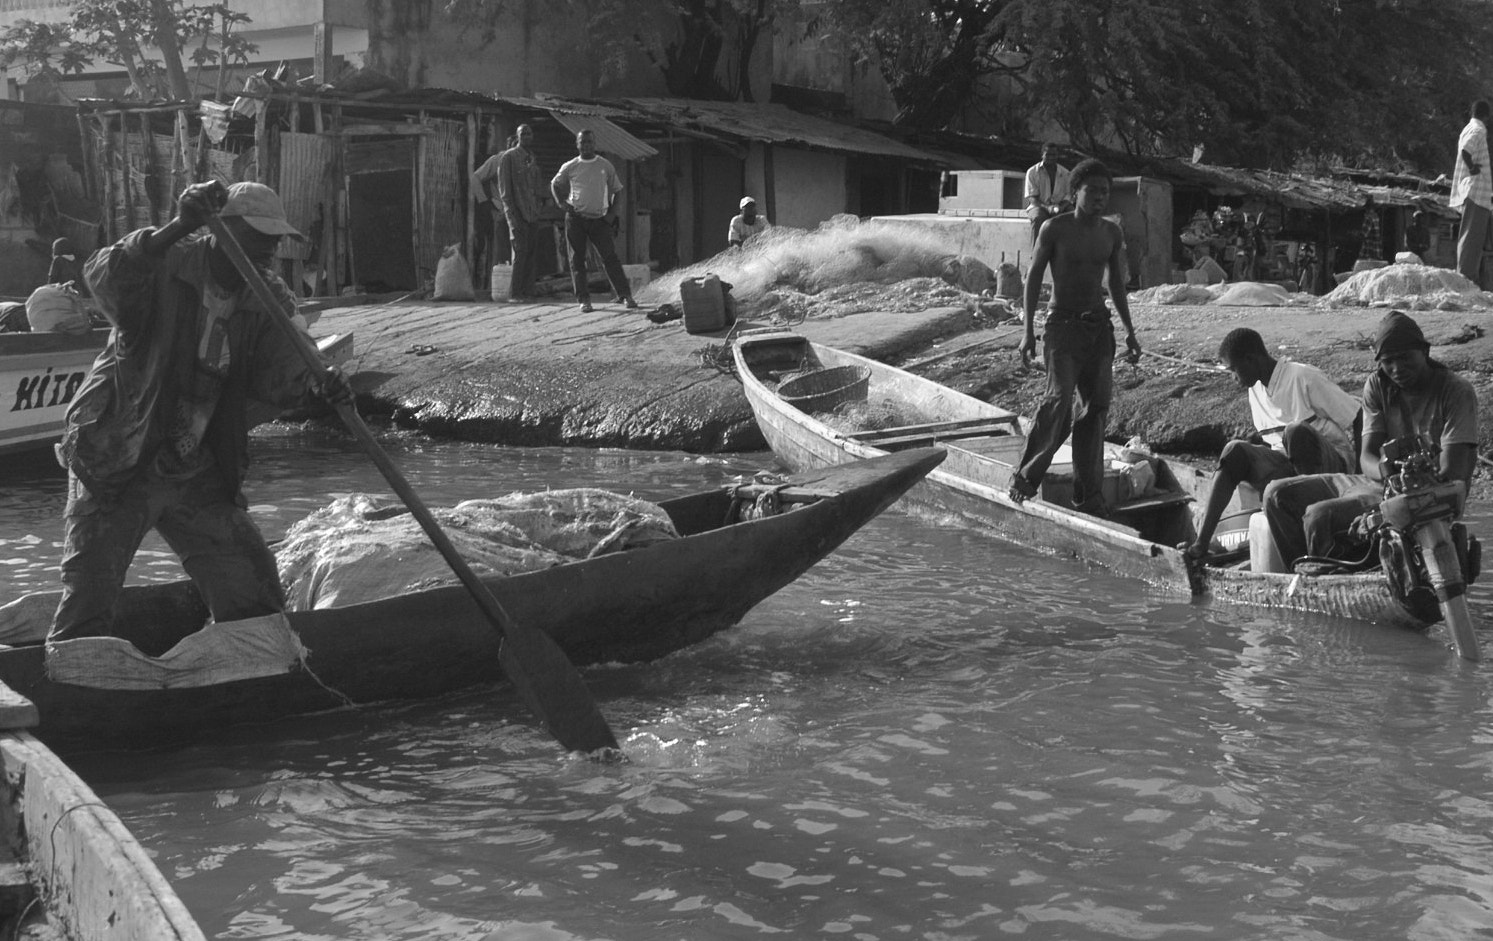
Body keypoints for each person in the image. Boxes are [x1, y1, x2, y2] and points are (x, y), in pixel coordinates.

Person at [49, 180, 352, 644]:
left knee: (253, 596)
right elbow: (106, 280)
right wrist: (176, 227)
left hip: (193, 463)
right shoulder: (168, 263)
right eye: (258, 236)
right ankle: (72, 685)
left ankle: (245, 671)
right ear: (222, 230)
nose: (270, 249)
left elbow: (286, 365)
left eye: (274, 239)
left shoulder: (267, 295)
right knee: (88, 600)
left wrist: (320, 383)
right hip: (118, 454)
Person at [1262, 310, 1478, 570]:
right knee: (1275, 494)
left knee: (1319, 516)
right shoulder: (1378, 385)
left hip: (1424, 496)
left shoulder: (1455, 391)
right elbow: (1367, 458)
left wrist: (1410, 477)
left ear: (1425, 352)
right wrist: (1390, 473)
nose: (1397, 369)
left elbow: (1452, 471)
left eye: (1405, 358)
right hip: (1378, 482)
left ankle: (1336, 573)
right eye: (1389, 361)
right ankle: (1303, 576)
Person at [1008, 158, 1141, 517]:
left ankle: (1089, 496)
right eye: (1092, 191)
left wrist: (1129, 330)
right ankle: (1024, 479)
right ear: (1075, 192)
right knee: (1059, 400)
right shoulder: (1054, 228)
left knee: (1095, 409)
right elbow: (1033, 279)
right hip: (1061, 326)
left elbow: (1115, 284)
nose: (1100, 198)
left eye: (1105, 192)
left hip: (1098, 327)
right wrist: (1027, 333)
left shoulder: (1111, 233)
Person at [1182, 327, 1360, 561]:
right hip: (1291, 466)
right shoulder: (1255, 390)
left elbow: (1357, 416)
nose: (1233, 378)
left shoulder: (1302, 377)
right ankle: (1202, 542)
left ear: (1251, 360)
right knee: (1234, 450)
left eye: (1234, 370)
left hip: (1330, 466)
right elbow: (1271, 443)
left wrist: (1359, 475)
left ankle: (1309, 533)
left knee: (1295, 431)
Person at [550, 129, 637, 313]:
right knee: (577, 260)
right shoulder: (571, 166)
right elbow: (555, 183)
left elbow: (617, 190)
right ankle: (584, 300)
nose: (586, 145)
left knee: (610, 257)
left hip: (599, 220)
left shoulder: (605, 165)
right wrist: (561, 203)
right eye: (582, 142)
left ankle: (625, 295)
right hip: (576, 219)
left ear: (594, 144)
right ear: (577, 144)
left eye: (589, 142)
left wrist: (612, 214)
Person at [490, 124, 546, 301]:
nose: (527, 137)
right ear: (517, 136)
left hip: (532, 213)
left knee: (530, 253)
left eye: (530, 133)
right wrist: (511, 215)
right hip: (517, 213)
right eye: (524, 134)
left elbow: (535, 187)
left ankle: (528, 292)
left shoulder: (531, 158)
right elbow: (505, 190)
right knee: (520, 253)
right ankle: (515, 293)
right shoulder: (509, 157)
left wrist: (538, 208)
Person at [1451, 99, 1493, 285]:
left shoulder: (1468, 128)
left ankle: (1466, 275)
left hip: (1473, 191)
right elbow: (1465, 151)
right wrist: (1473, 169)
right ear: (1487, 115)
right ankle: (1466, 277)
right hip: (1477, 191)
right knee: (1472, 237)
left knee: (1470, 235)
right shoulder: (1478, 130)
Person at [1023, 143, 1072, 243]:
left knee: (1073, 215)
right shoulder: (1032, 172)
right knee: (1038, 218)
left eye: (1054, 155)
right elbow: (1032, 198)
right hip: (1039, 206)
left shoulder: (1065, 173)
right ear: (1042, 155)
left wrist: (1061, 207)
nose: (1051, 158)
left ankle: (1069, 252)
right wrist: (1047, 208)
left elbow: (1069, 195)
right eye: (1048, 155)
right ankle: (1036, 253)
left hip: (1060, 206)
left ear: (1057, 155)